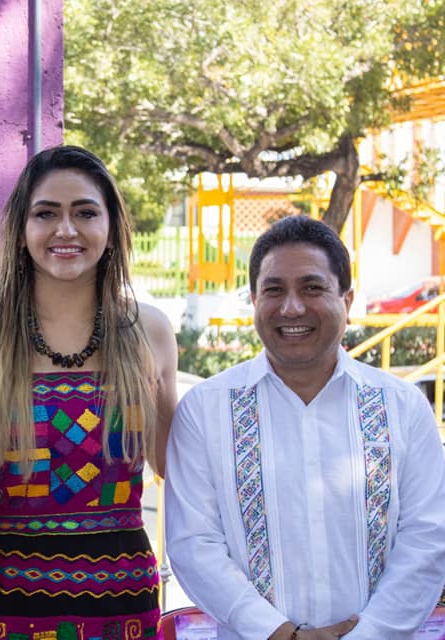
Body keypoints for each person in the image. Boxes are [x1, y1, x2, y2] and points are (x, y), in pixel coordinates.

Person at [165, 215, 445, 639]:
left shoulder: (403, 408)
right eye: (273, 290)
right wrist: (280, 633)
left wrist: (367, 635)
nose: (291, 307)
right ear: (254, 301)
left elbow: (427, 539)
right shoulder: (206, 410)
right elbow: (193, 544)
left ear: (347, 301)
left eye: (312, 288)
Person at [0, 145, 179, 639]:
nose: (66, 230)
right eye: (46, 213)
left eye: (85, 212)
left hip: (123, 600)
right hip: (0, 597)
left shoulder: (149, 330)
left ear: (111, 227)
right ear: (21, 230)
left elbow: (177, 466)